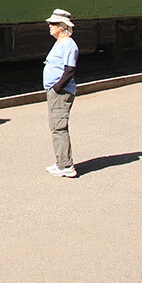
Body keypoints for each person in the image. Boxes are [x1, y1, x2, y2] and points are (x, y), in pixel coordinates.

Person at [43, 9, 79, 178]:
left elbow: (70, 70)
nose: (50, 26)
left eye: (53, 24)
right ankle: (61, 162)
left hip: (61, 92)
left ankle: (66, 166)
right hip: (55, 91)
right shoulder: (60, 42)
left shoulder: (69, 45)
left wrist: (57, 88)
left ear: (63, 27)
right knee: (55, 127)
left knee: (59, 127)